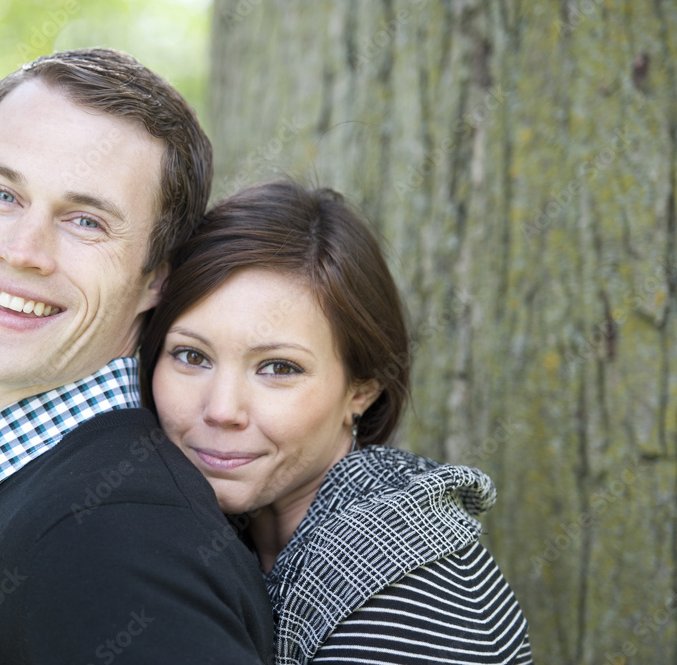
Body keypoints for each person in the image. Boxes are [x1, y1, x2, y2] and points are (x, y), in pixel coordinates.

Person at [0, 49, 272, 664]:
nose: (23, 250)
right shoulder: (25, 485)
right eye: (2, 193)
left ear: (156, 277)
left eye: (85, 220)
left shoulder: (120, 529)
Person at [142, 181, 533, 664]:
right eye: (191, 355)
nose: (222, 409)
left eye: (279, 368)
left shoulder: (411, 599)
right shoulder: (205, 535)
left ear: (361, 390)